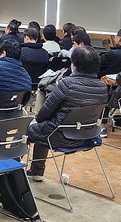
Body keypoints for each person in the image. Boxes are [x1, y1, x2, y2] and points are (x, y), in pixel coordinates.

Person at [27, 46, 108, 180]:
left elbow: (42, 115)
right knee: (44, 128)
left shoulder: (66, 84)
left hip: (61, 137)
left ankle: (21, 172)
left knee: (29, 129)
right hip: (88, 135)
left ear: (74, 65)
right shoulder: (103, 87)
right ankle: (36, 171)